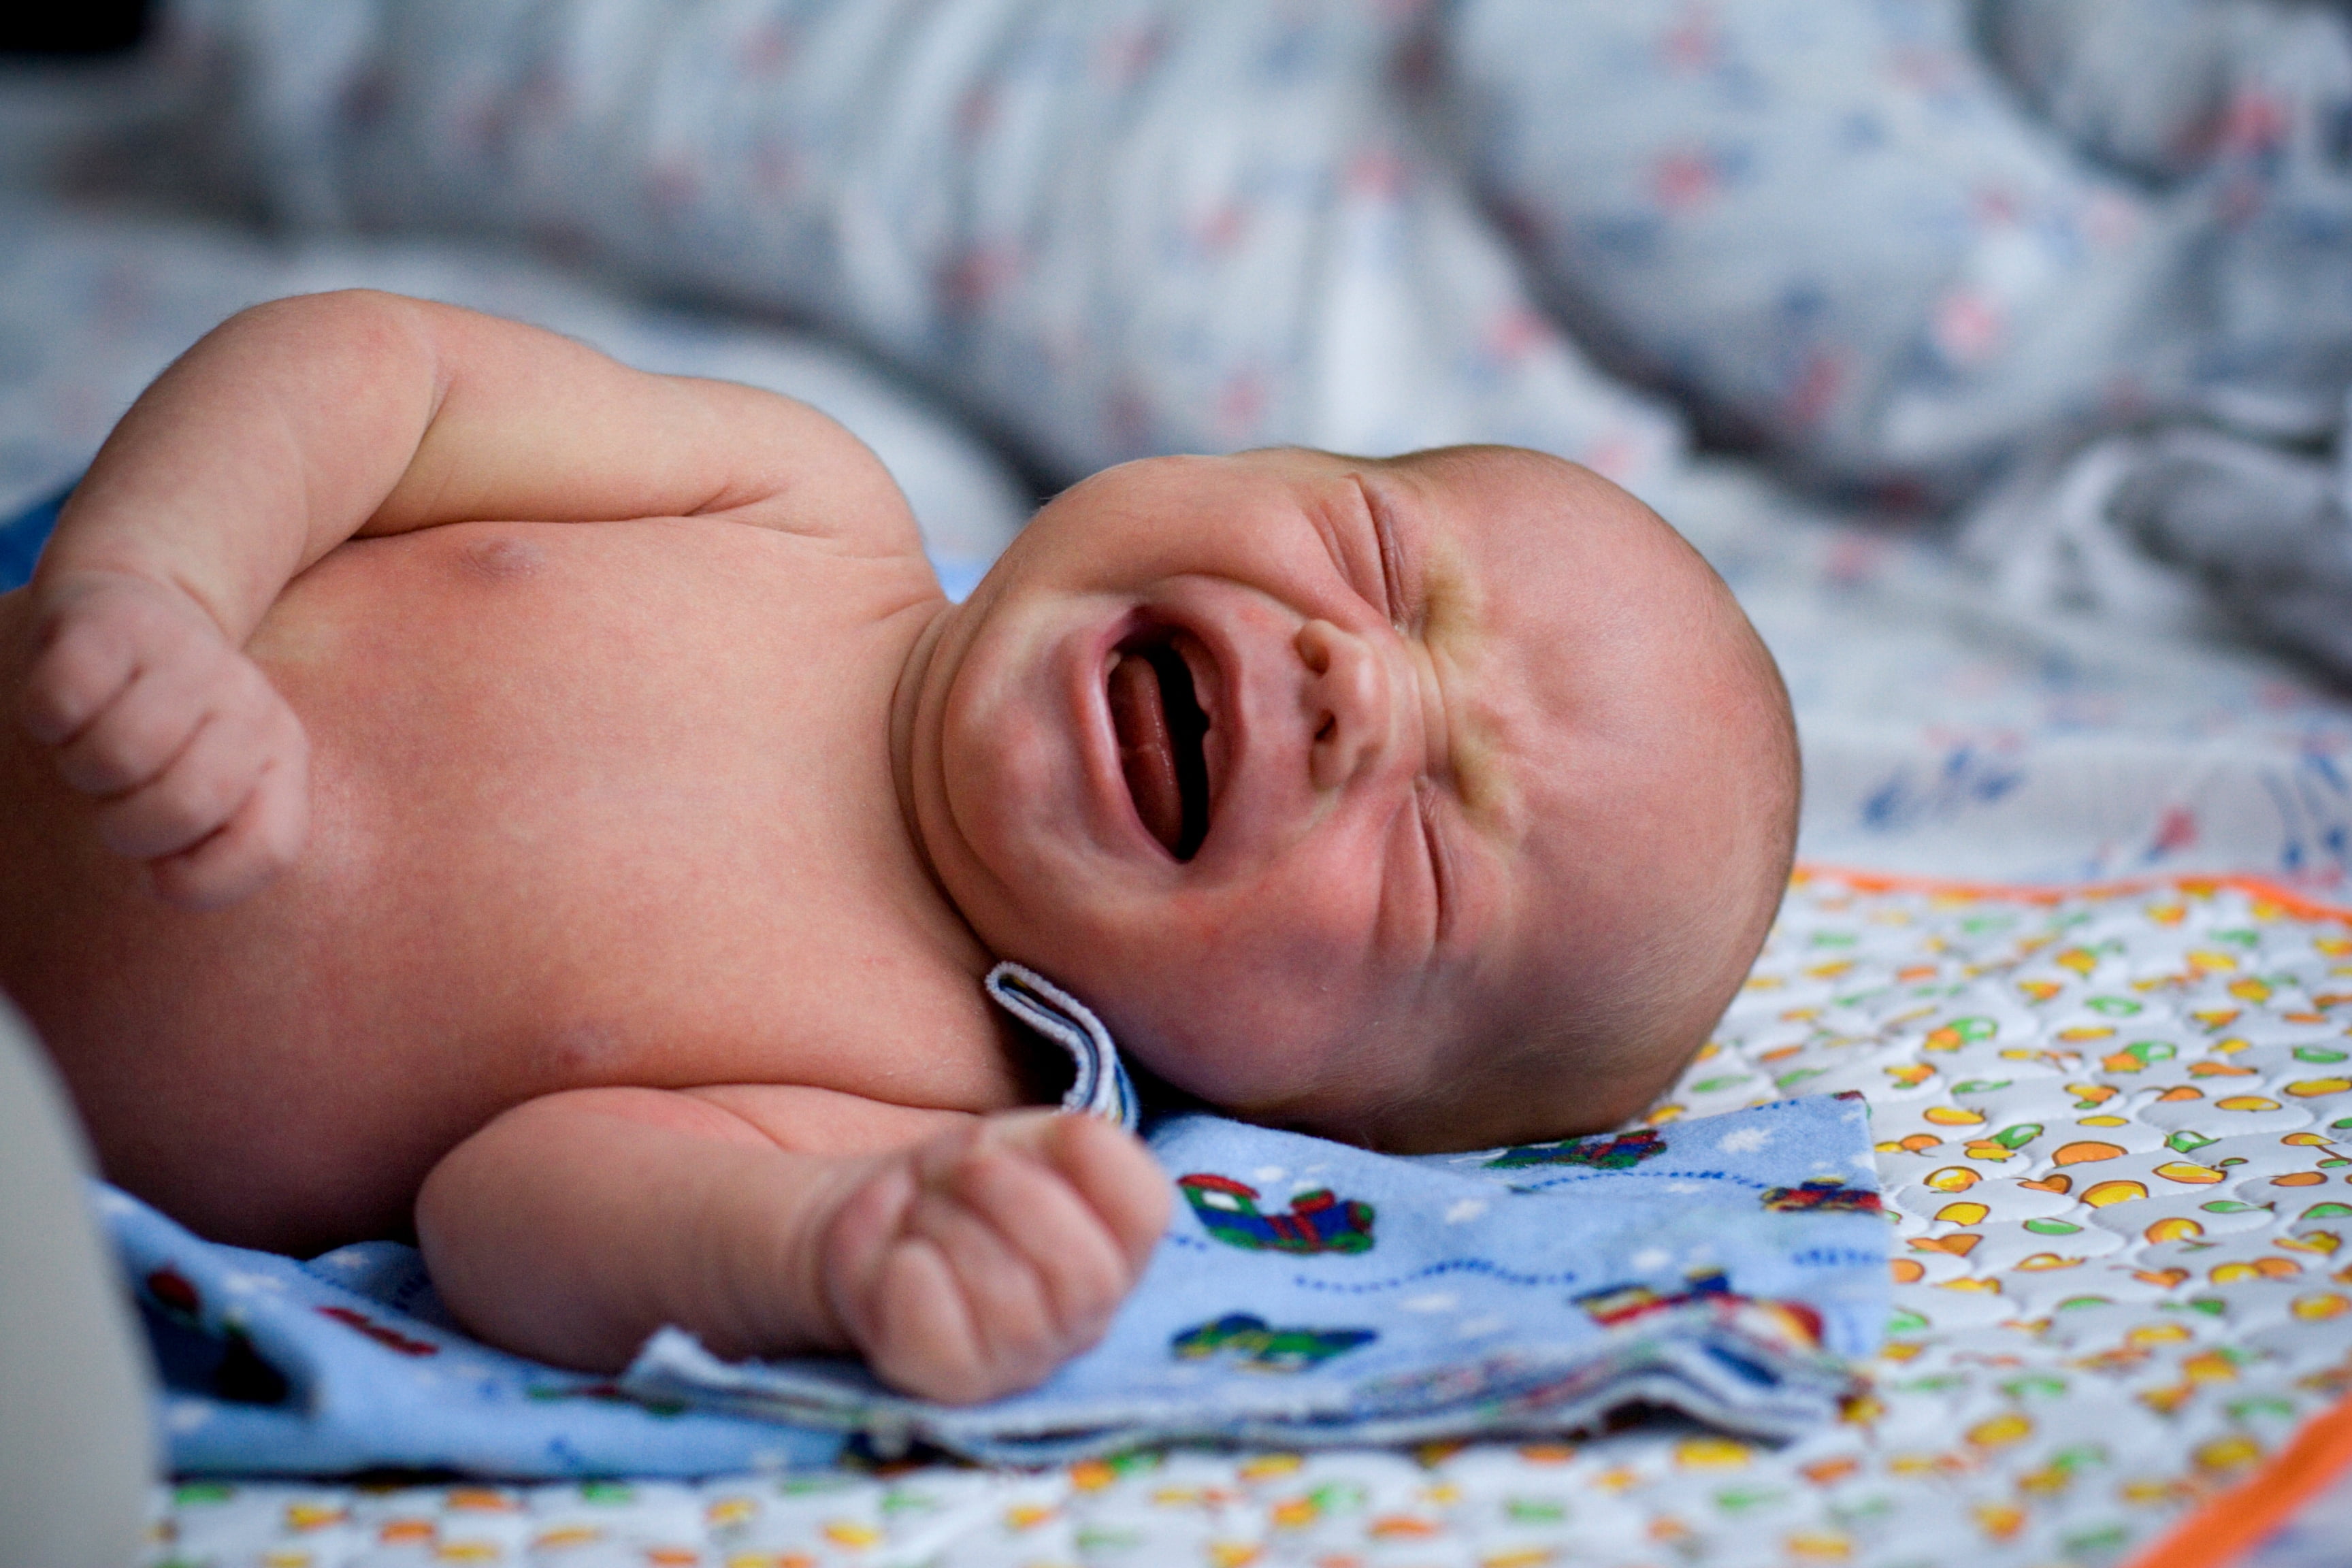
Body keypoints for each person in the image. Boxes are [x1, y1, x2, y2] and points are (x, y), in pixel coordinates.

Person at [0, 290, 1799, 1405]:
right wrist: (161, 575)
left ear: (1306, 1108)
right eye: (1381, 562)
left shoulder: (921, 1091)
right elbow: (377, 373)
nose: (1357, 691)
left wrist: (820, 1245)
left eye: (1423, 858)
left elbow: (507, 1225)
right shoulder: (793, 501)